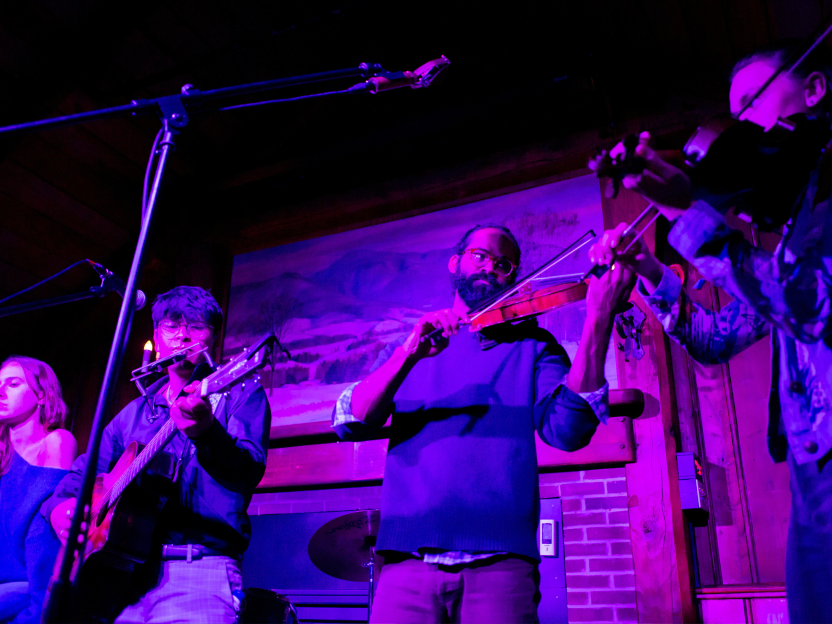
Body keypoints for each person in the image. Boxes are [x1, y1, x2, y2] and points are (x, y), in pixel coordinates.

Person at [587, 42, 832, 624]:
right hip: (811, 473)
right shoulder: (798, 216)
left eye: (751, 101)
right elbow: (715, 336)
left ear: (814, 90)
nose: (743, 124)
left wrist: (684, 214)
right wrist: (649, 270)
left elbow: (808, 306)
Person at [332, 223, 635, 623]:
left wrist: (598, 317)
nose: (490, 267)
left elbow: (567, 431)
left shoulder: (534, 346)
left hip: (501, 567)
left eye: (504, 264)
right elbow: (351, 421)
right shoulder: (409, 348)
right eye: (480, 255)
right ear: (456, 262)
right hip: (406, 565)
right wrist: (408, 354)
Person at [42, 286, 271, 624]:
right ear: (156, 335)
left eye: (195, 326)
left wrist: (206, 432)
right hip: (120, 578)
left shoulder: (238, 393)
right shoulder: (135, 413)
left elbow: (247, 471)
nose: (182, 336)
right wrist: (60, 508)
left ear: (213, 338)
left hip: (198, 568)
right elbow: (82, 475)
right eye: (171, 325)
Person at [0, 356, 77, 624]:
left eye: (13, 384)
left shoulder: (56, 442)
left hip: (25, 587)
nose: (1, 392)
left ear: (42, 396)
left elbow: (45, 532)